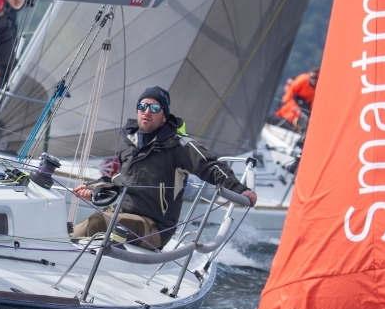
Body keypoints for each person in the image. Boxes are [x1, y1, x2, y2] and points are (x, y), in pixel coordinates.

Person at [70, 87, 257, 250]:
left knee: (98, 222)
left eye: (155, 108)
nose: (147, 111)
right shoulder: (129, 144)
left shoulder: (179, 146)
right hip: (120, 216)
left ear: (164, 116)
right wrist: (91, 188)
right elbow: (119, 179)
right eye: (142, 106)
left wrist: (241, 190)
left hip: (155, 229)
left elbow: (211, 167)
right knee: (71, 229)